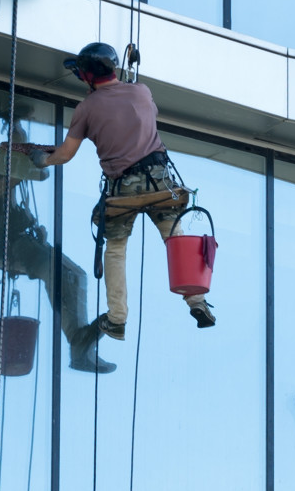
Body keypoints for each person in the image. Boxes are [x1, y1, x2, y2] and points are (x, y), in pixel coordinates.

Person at [25, 42, 214, 340]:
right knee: (175, 239)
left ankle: (117, 318)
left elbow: (66, 154)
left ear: (87, 75)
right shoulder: (141, 91)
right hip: (160, 180)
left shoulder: (86, 109)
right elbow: (139, 114)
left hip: (123, 187)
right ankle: (197, 301)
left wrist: (42, 160)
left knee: (115, 249)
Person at [0, 108, 114, 374]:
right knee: (58, 273)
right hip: (1, 243)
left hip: (18, 239)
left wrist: (16, 130)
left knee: (76, 275)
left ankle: (81, 344)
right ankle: (78, 344)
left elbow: (25, 165)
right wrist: (25, 171)